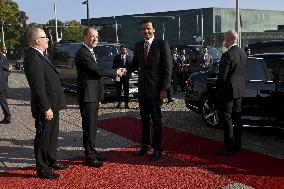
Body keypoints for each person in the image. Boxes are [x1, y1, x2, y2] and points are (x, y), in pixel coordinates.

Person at [74, 27, 125, 167]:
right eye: (92, 36)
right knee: (89, 126)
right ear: (85, 37)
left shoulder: (90, 51)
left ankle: (92, 150)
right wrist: (115, 71)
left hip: (93, 95)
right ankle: (89, 156)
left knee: (92, 125)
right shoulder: (82, 53)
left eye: (97, 36)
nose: (95, 39)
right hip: (87, 96)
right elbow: (96, 71)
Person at [23, 28, 68, 179]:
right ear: (37, 40)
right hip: (46, 106)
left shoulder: (39, 54)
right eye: (44, 37)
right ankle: (42, 168)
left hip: (52, 104)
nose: (48, 39)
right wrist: (45, 107)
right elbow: (37, 85)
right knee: (43, 136)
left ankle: (51, 160)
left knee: (53, 134)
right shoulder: (32, 57)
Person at [131, 19, 172, 161]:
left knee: (156, 120)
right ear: (141, 31)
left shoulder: (162, 44)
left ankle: (157, 149)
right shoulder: (138, 46)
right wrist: (121, 71)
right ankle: (145, 146)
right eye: (143, 29)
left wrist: (165, 89)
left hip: (156, 91)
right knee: (144, 120)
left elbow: (168, 68)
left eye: (148, 28)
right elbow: (134, 65)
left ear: (154, 29)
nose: (146, 31)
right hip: (142, 90)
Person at [215, 30, 247, 155]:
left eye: (225, 39)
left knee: (227, 118)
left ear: (229, 39)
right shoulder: (243, 52)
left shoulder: (227, 55)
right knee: (237, 117)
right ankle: (237, 145)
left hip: (228, 91)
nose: (224, 41)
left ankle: (228, 147)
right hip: (240, 89)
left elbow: (222, 77)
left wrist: (218, 89)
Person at [112, 45, 132, 109]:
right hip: (118, 76)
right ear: (120, 50)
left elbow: (131, 67)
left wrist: (128, 73)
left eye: (124, 50)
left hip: (126, 76)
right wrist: (115, 74)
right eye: (122, 49)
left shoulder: (129, 57)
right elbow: (114, 67)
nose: (123, 51)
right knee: (118, 89)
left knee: (126, 90)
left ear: (126, 50)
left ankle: (126, 104)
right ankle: (119, 103)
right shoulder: (116, 57)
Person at [0, 46, 11, 124]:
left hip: (1, 83)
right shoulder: (3, 57)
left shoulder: (1, 57)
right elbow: (8, 70)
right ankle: (7, 117)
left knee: (3, 100)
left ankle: (7, 117)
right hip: (2, 84)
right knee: (3, 100)